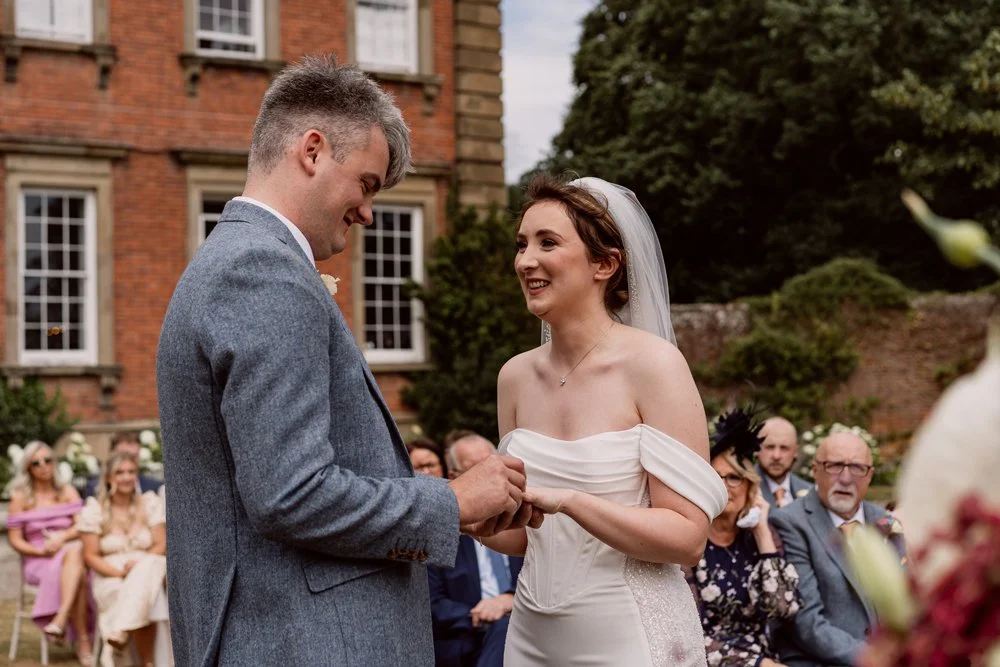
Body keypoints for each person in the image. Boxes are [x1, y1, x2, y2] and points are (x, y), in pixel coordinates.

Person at [155, 54, 538, 666]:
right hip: (302, 642)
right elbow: (291, 494)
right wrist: (451, 502)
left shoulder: (239, 259)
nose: (367, 211)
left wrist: (451, 515)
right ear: (313, 150)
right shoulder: (264, 272)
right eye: (366, 183)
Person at [486, 175, 729, 666]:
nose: (525, 261)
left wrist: (573, 501)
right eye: (521, 245)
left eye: (547, 243)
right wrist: (457, 512)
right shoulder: (514, 377)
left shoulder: (654, 366)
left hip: (628, 635)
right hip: (532, 638)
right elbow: (520, 534)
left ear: (605, 264)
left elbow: (686, 539)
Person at [769, 432, 905, 667]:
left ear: (870, 475)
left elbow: (904, 599)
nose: (845, 478)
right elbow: (806, 621)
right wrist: (871, 658)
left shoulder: (885, 521)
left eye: (857, 468)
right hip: (818, 660)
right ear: (815, 470)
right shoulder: (789, 523)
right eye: (835, 466)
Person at [689, 407, 801, 667]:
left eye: (734, 478)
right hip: (706, 658)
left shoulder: (760, 536)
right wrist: (756, 664)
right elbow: (684, 629)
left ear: (750, 485)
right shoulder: (691, 537)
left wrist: (762, 533)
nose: (724, 485)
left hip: (766, 657)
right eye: (716, 477)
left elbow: (784, 609)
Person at [429, 432, 525, 667]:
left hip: (525, 623)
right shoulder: (441, 532)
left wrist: (510, 599)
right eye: (476, 470)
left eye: (494, 467)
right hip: (467, 634)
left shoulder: (525, 523)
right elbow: (432, 602)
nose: (490, 479)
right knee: (503, 629)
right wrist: (477, 614)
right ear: (454, 477)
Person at [5, 440, 94, 665]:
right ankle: (83, 641)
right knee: (78, 569)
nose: (44, 466)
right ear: (28, 468)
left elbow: (83, 525)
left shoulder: (67, 491)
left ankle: (61, 619)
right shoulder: (20, 498)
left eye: (48, 460)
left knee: (73, 553)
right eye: (37, 463)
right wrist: (41, 550)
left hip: (69, 551)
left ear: (55, 462)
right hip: (39, 560)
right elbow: (15, 540)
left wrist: (62, 537)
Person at [78, 452, 169, 666]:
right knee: (144, 594)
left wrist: (138, 565)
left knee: (149, 571)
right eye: (120, 472)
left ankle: (121, 628)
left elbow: (161, 544)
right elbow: (90, 556)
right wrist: (120, 573)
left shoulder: (149, 502)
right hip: (111, 574)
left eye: (131, 472)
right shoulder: (95, 509)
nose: (126, 477)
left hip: (150, 564)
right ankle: (149, 663)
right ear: (109, 477)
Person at [83, 431, 162, 498]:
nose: (128, 462)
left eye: (134, 456)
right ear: (111, 456)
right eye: (123, 456)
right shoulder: (94, 488)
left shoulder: (154, 488)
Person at [756, 417, 810, 508]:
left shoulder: (811, 493)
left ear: (795, 451)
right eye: (770, 447)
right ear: (756, 448)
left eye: (784, 448)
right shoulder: (741, 489)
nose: (776, 456)